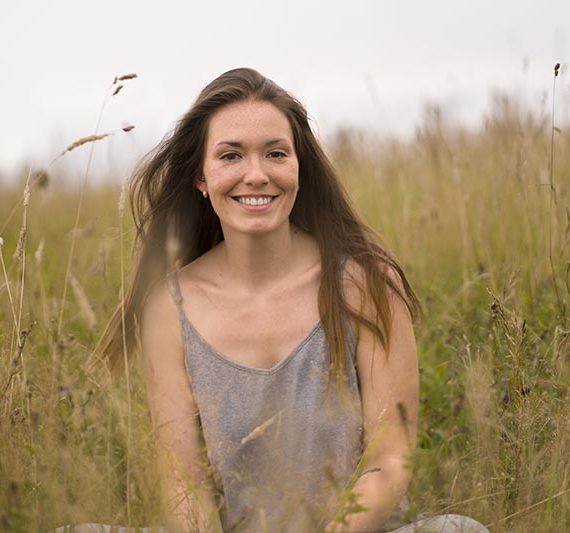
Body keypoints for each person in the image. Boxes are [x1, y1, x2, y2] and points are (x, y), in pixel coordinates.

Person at [100, 68, 486, 533]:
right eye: (230, 156)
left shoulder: (366, 283)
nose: (256, 174)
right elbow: (183, 484)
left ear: (298, 168)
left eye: (276, 154)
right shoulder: (170, 305)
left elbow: (390, 459)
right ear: (201, 177)